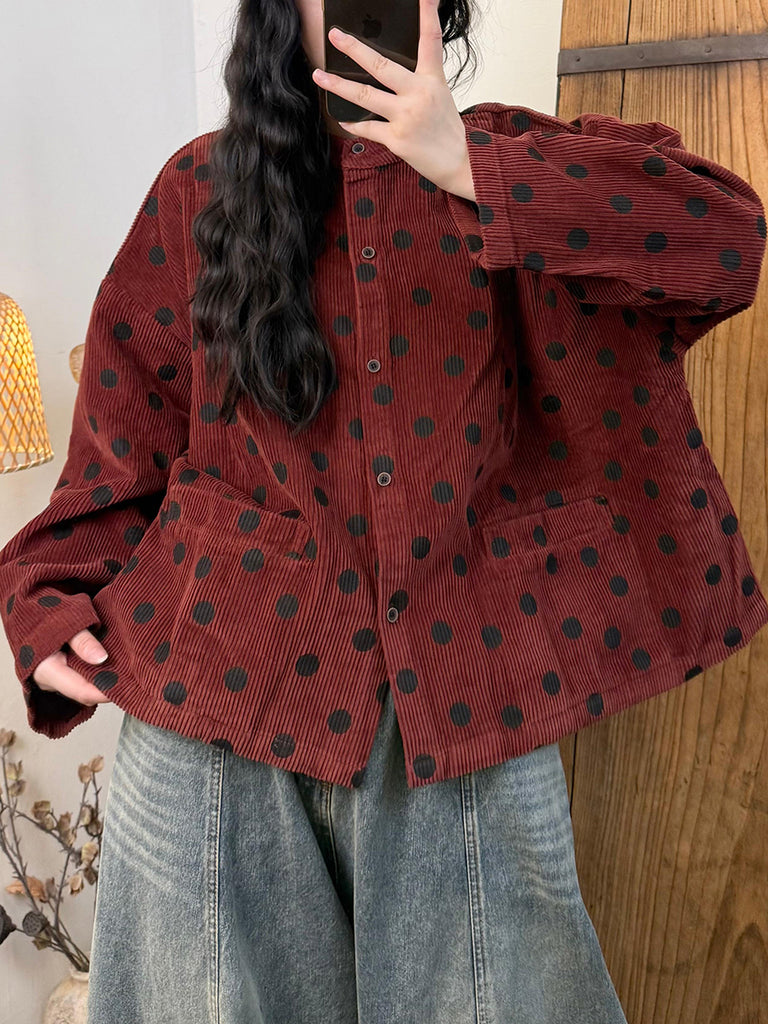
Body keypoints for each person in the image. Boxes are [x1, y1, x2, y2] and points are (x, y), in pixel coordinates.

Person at [0, 0, 765, 1020]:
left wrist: (472, 169)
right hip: (214, 710)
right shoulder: (199, 191)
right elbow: (118, 447)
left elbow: (725, 243)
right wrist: (48, 599)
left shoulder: (511, 162)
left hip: (466, 704)